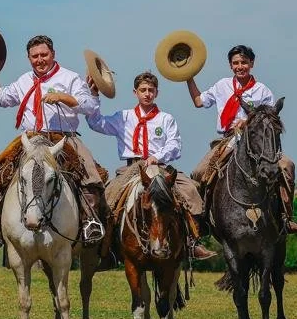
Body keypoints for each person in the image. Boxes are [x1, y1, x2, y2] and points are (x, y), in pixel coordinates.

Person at [0, 34, 105, 247]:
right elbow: (5, 98)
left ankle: (90, 221)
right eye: (35, 56)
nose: (40, 59)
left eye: (44, 54)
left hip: (62, 138)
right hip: (31, 138)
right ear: (29, 58)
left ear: (53, 54)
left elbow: (90, 106)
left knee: (88, 170)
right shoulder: (25, 79)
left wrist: (64, 98)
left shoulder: (69, 78)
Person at [86, 71, 216, 259]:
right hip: (131, 168)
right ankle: (108, 246)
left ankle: (192, 241)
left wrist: (158, 156)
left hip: (160, 167)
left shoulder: (166, 119)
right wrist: (94, 95)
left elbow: (174, 145)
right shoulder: (123, 117)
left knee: (189, 190)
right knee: (108, 196)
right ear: (135, 92)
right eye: (143, 90)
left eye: (151, 90)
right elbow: (96, 123)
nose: (147, 94)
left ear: (157, 93)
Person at [184, 44, 297, 234]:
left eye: (244, 62)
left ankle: (286, 216)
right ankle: (203, 221)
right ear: (231, 65)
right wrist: (188, 77)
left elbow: (271, 117)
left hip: (257, 142)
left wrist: (247, 121)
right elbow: (199, 101)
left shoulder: (262, 90)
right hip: (228, 140)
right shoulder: (222, 85)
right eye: (236, 63)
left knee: (287, 166)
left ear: (252, 63)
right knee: (199, 172)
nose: (240, 66)